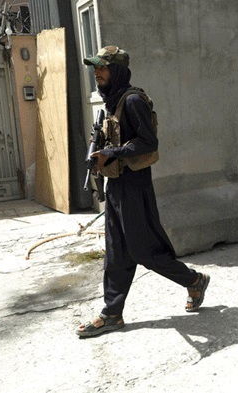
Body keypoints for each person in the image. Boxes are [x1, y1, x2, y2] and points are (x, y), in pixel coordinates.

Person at [76, 46, 210, 338]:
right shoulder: (112, 101)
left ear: (118, 71)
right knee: (115, 251)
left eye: (103, 67)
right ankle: (112, 312)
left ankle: (194, 280)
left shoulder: (133, 100)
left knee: (143, 250)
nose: (97, 73)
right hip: (116, 184)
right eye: (96, 68)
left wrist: (111, 153)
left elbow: (148, 142)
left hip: (135, 186)